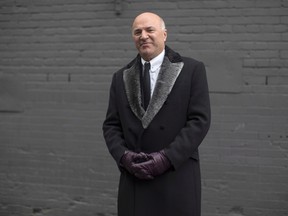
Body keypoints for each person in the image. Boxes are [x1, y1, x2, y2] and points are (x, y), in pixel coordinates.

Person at [102, 12, 211, 216]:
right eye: (137, 32)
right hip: (135, 180)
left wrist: (166, 158)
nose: (143, 35)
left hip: (176, 177)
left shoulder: (192, 69)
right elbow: (111, 126)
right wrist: (124, 157)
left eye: (149, 30)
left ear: (164, 34)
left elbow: (199, 121)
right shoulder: (120, 77)